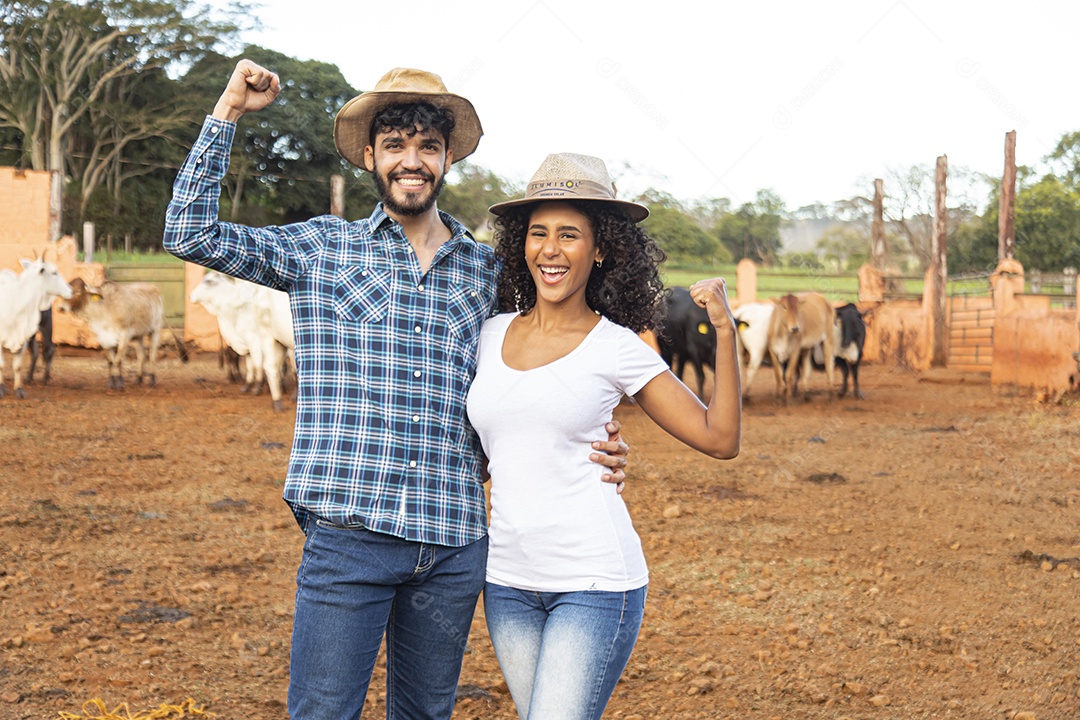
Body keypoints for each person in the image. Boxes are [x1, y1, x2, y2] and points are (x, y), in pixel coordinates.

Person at [163, 61, 630, 720]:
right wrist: (230, 110)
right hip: (348, 540)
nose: (412, 160)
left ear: (446, 160)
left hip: (453, 544)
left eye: (427, 147)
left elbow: (551, 351)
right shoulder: (320, 250)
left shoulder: (488, 271)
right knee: (323, 713)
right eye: (396, 145)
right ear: (369, 156)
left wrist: (600, 437)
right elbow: (187, 233)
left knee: (423, 715)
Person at [466, 153, 742, 720]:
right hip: (506, 582)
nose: (550, 249)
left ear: (601, 250)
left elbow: (720, 437)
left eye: (570, 235)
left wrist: (724, 331)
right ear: (520, 243)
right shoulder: (488, 334)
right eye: (538, 232)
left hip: (593, 582)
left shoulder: (616, 346)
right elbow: (489, 450)